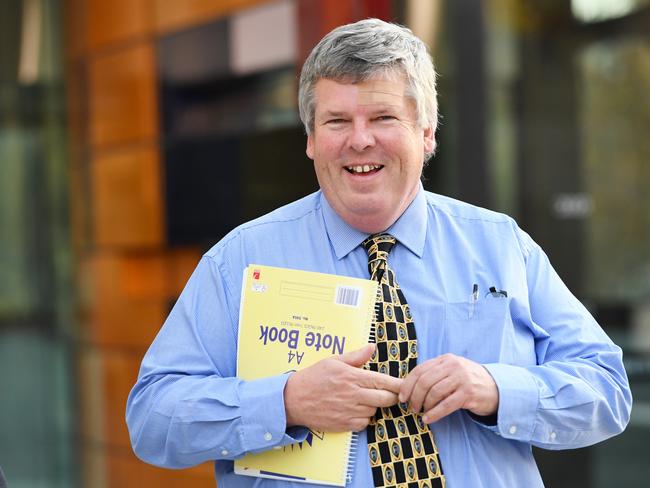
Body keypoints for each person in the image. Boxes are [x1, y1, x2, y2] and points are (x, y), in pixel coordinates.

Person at [126, 18, 631, 487]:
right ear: (311, 139)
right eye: (337, 121)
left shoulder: (501, 246)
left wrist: (496, 389)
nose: (359, 141)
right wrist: (284, 403)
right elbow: (152, 419)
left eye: (383, 117)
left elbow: (608, 392)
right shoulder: (239, 260)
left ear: (427, 133)